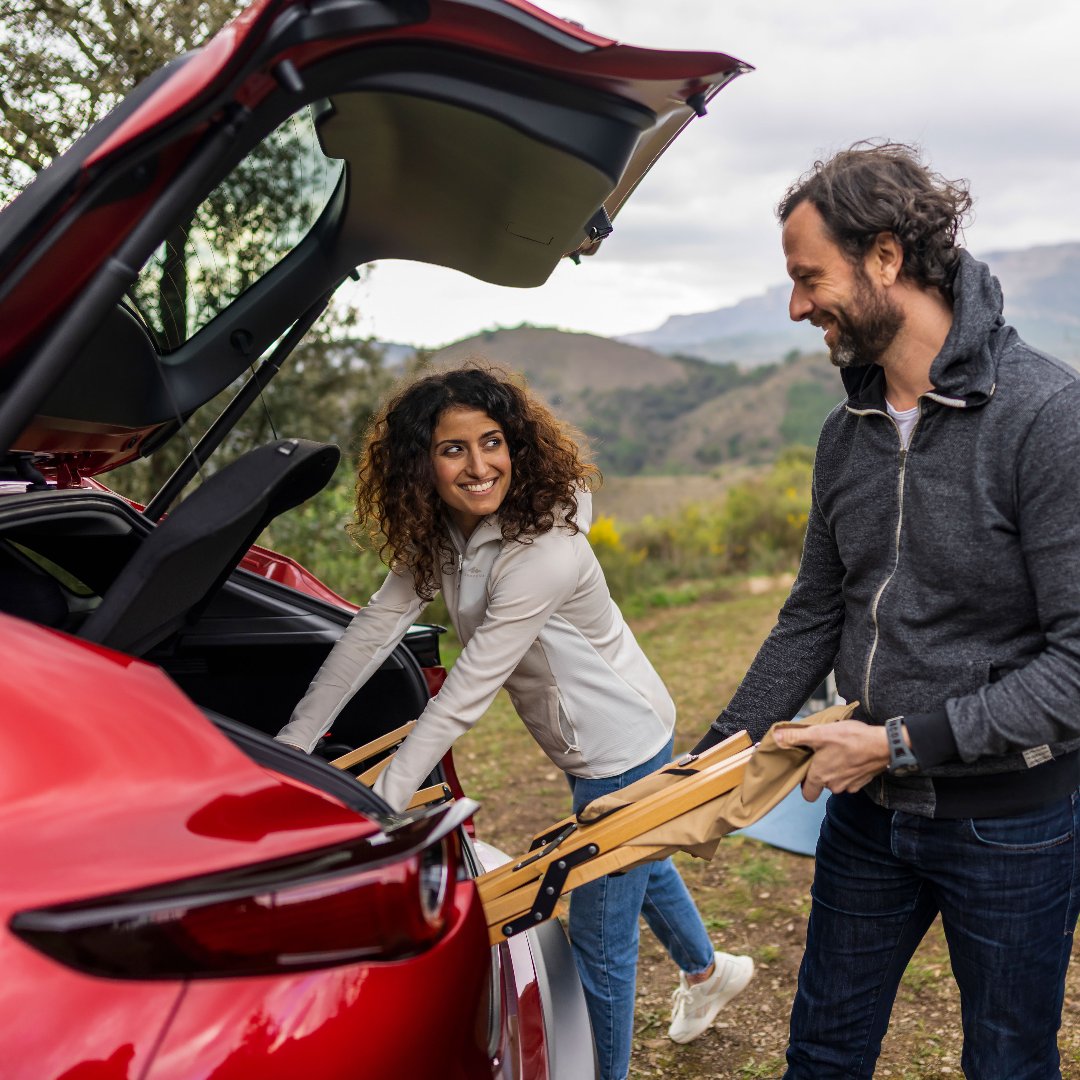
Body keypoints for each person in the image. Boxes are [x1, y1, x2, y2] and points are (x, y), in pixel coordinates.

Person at [692, 141, 1080, 1079]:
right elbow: (813, 614)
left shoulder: (1047, 418)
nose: (796, 307)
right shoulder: (846, 434)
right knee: (821, 1054)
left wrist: (901, 742)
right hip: (867, 813)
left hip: (1013, 824)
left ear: (886, 256)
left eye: (806, 277)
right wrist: (716, 758)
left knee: (1006, 1061)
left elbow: (1076, 667)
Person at [276, 365, 753, 1080]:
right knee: (637, 858)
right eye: (453, 449)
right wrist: (290, 745)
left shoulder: (544, 551)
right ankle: (707, 972)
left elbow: (467, 691)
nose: (478, 465)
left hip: (620, 743)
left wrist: (385, 798)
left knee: (601, 946)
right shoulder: (445, 534)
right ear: (421, 463)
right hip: (586, 740)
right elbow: (369, 634)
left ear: (517, 446)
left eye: (491, 442)